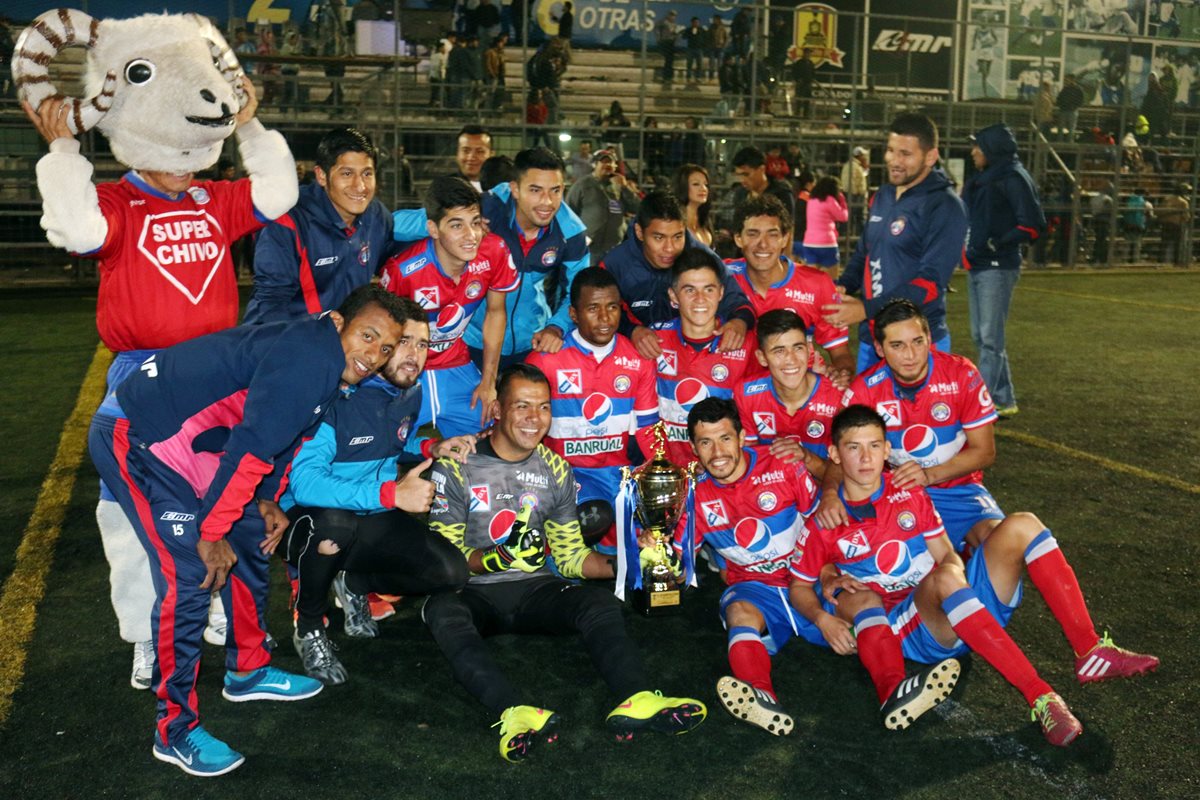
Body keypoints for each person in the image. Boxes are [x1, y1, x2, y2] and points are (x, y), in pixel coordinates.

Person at [25, 73, 296, 693]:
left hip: (218, 375)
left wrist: (249, 122)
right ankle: (147, 636)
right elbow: (75, 229)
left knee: (223, 498)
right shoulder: (118, 203)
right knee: (130, 513)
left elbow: (277, 194)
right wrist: (64, 150)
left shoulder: (214, 199)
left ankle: (222, 615)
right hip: (142, 375)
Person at [93, 285, 408, 775]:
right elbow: (251, 447)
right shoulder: (312, 358)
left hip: (192, 442)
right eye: (368, 336)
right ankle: (173, 731)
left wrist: (266, 500)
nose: (375, 355)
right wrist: (212, 531)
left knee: (251, 536)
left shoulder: (326, 359)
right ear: (338, 321)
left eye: (386, 347)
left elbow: (286, 437)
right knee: (194, 573)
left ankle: (247, 669)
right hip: (137, 434)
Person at [793, 404, 1158, 745]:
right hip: (915, 625)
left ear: (888, 450)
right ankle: (1042, 696)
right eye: (854, 448)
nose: (866, 457)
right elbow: (799, 585)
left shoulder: (909, 493)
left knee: (1022, 525)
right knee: (938, 581)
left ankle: (1090, 650)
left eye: (874, 445)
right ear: (836, 454)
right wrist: (823, 617)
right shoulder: (825, 519)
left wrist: (955, 574)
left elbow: (947, 554)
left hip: (959, 602)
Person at [423, 364, 707, 762]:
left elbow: (572, 557)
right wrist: (498, 557)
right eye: (522, 406)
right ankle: (513, 713)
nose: (534, 419)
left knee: (599, 603)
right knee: (440, 609)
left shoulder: (555, 468)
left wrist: (628, 562)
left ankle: (637, 697)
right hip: (473, 594)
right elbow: (445, 562)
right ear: (498, 409)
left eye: (543, 407)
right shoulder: (457, 465)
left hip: (534, 590)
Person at [279, 298, 474, 684]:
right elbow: (304, 483)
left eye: (423, 345)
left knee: (452, 572)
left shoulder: (408, 392)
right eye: (404, 342)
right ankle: (311, 626)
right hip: (305, 521)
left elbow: (386, 440)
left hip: (370, 513)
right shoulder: (336, 395)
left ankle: (354, 583)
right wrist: (389, 495)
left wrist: (429, 448)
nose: (414, 355)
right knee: (335, 526)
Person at [680, 397, 823, 735]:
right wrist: (652, 549)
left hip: (809, 576)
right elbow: (678, 561)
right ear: (693, 448)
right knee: (739, 612)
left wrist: (829, 573)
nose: (717, 452)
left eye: (725, 438)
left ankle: (897, 679)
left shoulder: (783, 465)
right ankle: (761, 697)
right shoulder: (695, 495)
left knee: (856, 619)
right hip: (756, 589)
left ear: (742, 438)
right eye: (706, 442)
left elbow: (822, 523)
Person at [394, 147, 588, 366]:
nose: (547, 202)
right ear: (515, 189)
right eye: (535, 190)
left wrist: (557, 326)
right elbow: (396, 225)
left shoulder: (570, 232)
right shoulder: (488, 207)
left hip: (532, 341)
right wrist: (467, 225)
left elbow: (579, 290)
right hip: (472, 341)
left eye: (555, 190)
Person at [526, 268, 659, 552]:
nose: (604, 318)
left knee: (648, 537)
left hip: (617, 473)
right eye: (593, 309)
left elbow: (648, 427)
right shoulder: (546, 360)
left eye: (612, 307)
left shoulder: (637, 359)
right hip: (565, 473)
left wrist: (663, 471)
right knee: (591, 518)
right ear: (573, 314)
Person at [824, 113, 967, 374]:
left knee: (918, 416)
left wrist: (865, 309)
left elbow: (930, 285)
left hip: (919, 345)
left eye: (905, 154)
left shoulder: (944, 206)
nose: (894, 160)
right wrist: (843, 286)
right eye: (891, 151)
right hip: (873, 342)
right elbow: (863, 254)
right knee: (870, 415)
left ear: (931, 157)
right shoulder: (883, 195)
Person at [380, 176, 519, 437]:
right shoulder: (403, 271)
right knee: (381, 443)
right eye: (457, 225)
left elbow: (496, 312)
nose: (471, 236)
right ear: (433, 229)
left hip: (457, 363)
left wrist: (489, 382)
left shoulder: (495, 251)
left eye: (475, 223)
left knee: (491, 436)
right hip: (409, 370)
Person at [246, 127, 397, 324]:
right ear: (322, 176)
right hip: (284, 339)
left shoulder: (376, 215)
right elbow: (271, 304)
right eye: (347, 173)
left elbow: (396, 260)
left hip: (341, 341)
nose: (360, 186)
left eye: (367, 173)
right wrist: (313, 338)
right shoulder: (289, 220)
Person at [598, 191, 754, 361]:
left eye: (677, 237)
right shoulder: (614, 264)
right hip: (633, 357)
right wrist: (632, 330)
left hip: (690, 359)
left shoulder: (702, 258)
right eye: (659, 238)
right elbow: (599, 313)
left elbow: (738, 301)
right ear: (639, 232)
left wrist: (740, 322)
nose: (670, 248)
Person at [725, 194, 853, 388]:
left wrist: (842, 373)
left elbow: (841, 354)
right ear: (738, 238)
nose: (763, 243)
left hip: (794, 397)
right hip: (732, 393)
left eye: (773, 234)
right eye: (752, 234)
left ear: (785, 238)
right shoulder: (721, 277)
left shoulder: (817, 284)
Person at [962, 124, 1045, 418]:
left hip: (997, 266)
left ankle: (978, 410)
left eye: (979, 147)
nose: (973, 152)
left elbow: (1032, 224)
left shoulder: (1013, 177)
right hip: (980, 263)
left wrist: (997, 244)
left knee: (988, 338)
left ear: (992, 150)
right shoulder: (988, 178)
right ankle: (1003, 398)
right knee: (984, 336)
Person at [652, 248, 762, 466]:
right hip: (668, 469)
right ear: (673, 296)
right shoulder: (654, 340)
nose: (700, 299)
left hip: (724, 469)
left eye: (708, 289)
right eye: (689, 290)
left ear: (721, 293)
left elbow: (761, 408)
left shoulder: (746, 344)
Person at [735, 309, 849, 480]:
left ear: (810, 349)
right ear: (762, 358)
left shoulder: (838, 396)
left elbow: (849, 476)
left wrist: (806, 457)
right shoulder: (746, 394)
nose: (791, 359)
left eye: (798, 348)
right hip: (775, 493)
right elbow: (749, 463)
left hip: (826, 494)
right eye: (779, 351)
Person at [566, 148, 641, 266]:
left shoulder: (619, 185)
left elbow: (636, 208)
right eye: (604, 162)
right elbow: (568, 213)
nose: (609, 165)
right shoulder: (582, 185)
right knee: (588, 280)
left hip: (615, 247)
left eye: (611, 162)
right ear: (594, 164)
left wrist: (625, 187)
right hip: (590, 248)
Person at [728, 146, 796, 227]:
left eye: (746, 174)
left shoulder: (782, 194)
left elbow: (788, 227)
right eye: (739, 175)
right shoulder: (740, 194)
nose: (742, 180)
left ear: (762, 169)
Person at [803, 175, 849, 274]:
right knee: (831, 280)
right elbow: (843, 217)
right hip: (826, 244)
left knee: (812, 279)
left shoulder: (811, 200)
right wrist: (842, 201)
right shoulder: (829, 200)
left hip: (809, 243)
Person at [674, 164, 714, 247]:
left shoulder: (705, 220)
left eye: (706, 184)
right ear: (683, 187)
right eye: (696, 184)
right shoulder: (674, 222)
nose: (703, 188)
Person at [1156, 182, 1190, 266]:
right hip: (1176, 224)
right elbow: (1186, 216)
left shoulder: (1166, 199)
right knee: (1177, 244)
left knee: (1164, 243)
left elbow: (1159, 211)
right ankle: (1177, 262)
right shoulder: (1183, 202)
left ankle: (1161, 261)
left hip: (1165, 223)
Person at [452, 124, 493, 191]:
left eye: (479, 151)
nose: (471, 157)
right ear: (457, 154)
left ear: (491, 155)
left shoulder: (505, 190)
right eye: (466, 150)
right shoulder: (443, 189)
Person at [839, 146, 869, 235]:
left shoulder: (853, 165)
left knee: (851, 217)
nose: (865, 157)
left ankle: (849, 236)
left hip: (852, 194)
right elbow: (851, 183)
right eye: (863, 155)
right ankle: (855, 237)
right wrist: (858, 193)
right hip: (855, 195)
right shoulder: (854, 166)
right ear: (859, 156)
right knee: (856, 217)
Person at [656, 10, 679, 84]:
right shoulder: (663, 22)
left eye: (674, 15)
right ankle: (666, 77)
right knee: (668, 61)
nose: (673, 17)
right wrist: (659, 39)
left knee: (670, 61)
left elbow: (675, 34)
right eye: (671, 15)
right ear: (668, 15)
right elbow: (656, 29)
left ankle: (669, 77)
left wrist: (676, 36)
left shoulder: (674, 24)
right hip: (665, 42)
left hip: (671, 43)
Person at [684, 16, 707, 83]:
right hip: (690, 49)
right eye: (695, 22)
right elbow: (684, 37)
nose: (696, 23)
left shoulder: (702, 30)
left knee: (699, 64)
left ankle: (698, 77)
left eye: (697, 22)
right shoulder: (688, 29)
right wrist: (689, 32)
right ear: (692, 23)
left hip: (699, 49)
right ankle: (688, 77)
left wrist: (704, 46)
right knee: (689, 64)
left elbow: (706, 38)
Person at [706, 14, 727, 81]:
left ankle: (720, 77)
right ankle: (711, 77)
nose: (714, 20)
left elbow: (726, 37)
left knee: (720, 63)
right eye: (714, 19)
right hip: (712, 47)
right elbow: (708, 36)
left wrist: (724, 45)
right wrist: (708, 44)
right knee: (711, 63)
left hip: (720, 47)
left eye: (716, 19)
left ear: (718, 20)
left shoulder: (722, 27)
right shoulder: (711, 27)